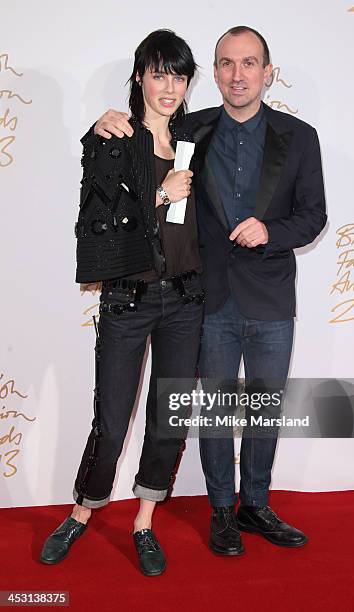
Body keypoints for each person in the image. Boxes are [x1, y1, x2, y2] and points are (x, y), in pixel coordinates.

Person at [91, 26, 327, 556]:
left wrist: (272, 231)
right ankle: (222, 509)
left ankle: (256, 505)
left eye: (249, 63)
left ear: (268, 73)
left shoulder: (301, 137)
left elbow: (314, 216)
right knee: (218, 409)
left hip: (270, 297)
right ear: (214, 74)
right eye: (225, 63)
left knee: (265, 408)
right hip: (206, 297)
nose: (237, 74)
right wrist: (109, 118)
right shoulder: (189, 131)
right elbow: (142, 134)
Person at [40, 29, 204, 576]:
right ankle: (82, 513)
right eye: (159, 73)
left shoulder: (194, 139)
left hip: (184, 301)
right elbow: (98, 223)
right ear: (139, 76)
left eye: (179, 76)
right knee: (111, 422)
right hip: (128, 301)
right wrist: (161, 195)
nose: (169, 86)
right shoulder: (114, 137)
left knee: (168, 420)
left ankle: (144, 520)